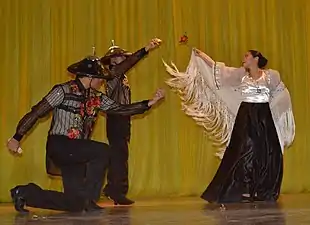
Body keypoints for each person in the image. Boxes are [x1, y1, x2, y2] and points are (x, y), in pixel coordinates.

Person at [7, 53, 165, 213]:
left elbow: (120, 109)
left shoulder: (96, 97)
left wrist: (149, 103)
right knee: (103, 151)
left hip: (76, 152)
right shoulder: (62, 91)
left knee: (75, 204)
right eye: (100, 78)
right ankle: (89, 200)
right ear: (89, 77)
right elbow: (36, 113)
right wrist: (16, 137)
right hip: (61, 145)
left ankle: (25, 193)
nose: (102, 81)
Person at [163, 48, 295, 203]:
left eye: (247, 56)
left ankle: (261, 189)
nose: (243, 58)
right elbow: (220, 71)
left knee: (268, 152)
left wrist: (280, 113)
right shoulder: (241, 75)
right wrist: (203, 56)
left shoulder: (271, 76)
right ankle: (243, 189)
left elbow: (281, 93)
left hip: (264, 117)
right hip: (246, 116)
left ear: (256, 58)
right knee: (243, 151)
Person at [99, 38, 162, 205]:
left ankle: (113, 188)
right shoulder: (113, 75)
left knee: (119, 154)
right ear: (113, 60)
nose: (124, 59)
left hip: (123, 118)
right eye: (121, 57)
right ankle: (116, 190)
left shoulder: (120, 76)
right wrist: (146, 49)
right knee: (119, 155)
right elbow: (129, 63)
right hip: (116, 118)